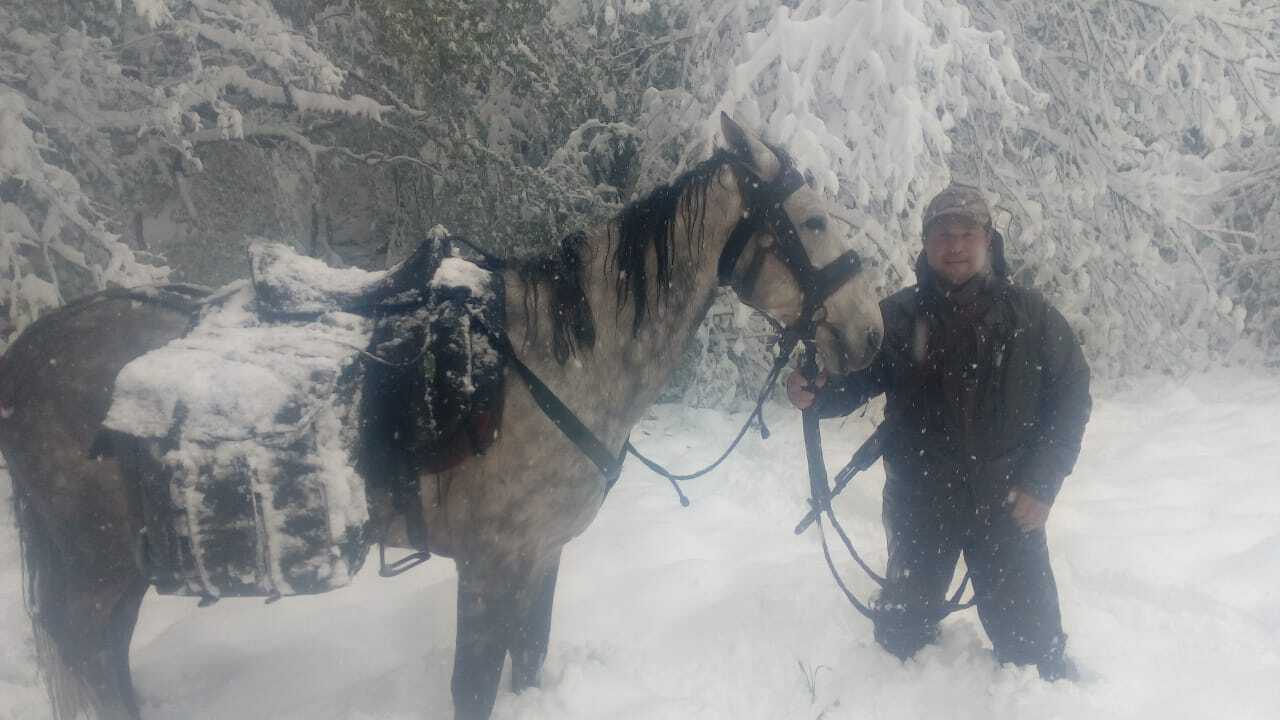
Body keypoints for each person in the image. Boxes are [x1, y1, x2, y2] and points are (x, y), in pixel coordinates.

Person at [787, 184, 1091, 680]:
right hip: (921, 508)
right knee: (899, 644)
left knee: (1036, 658)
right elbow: (851, 382)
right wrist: (814, 392)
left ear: (988, 240)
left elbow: (1072, 397)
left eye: (967, 233)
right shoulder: (895, 317)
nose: (955, 245)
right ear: (926, 244)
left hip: (1008, 506)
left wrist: (1042, 482)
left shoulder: (1031, 316)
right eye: (942, 234)